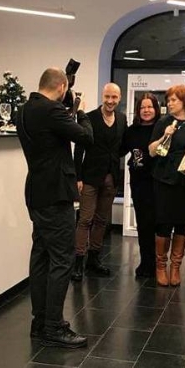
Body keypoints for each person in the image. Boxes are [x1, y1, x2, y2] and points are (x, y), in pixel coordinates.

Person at [16, 67, 93, 348]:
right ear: (61, 87)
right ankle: (54, 326)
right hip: (56, 195)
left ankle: (40, 322)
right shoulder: (52, 110)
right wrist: (80, 111)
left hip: (36, 192)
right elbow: (86, 137)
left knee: (41, 256)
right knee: (62, 259)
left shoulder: (24, 110)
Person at [149, 84, 185, 287]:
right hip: (164, 178)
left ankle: (175, 267)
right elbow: (151, 151)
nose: (170, 103)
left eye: (174, 99)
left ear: (184, 101)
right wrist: (165, 135)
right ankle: (160, 266)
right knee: (163, 223)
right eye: (168, 100)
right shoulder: (163, 122)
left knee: (182, 223)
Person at [72, 83, 127, 281]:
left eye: (114, 97)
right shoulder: (89, 118)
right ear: (102, 96)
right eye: (107, 97)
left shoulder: (122, 119)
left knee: (102, 220)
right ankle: (78, 262)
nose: (110, 101)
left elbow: (122, 146)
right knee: (85, 219)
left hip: (111, 177)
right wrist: (78, 177)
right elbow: (79, 149)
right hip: (89, 177)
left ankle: (93, 259)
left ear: (119, 98)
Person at [121, 93, 161, 278]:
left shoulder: (162, 128)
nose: (146, 110)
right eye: (143, 107)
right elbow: (121, 149)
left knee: (159, 224)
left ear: (156, 109)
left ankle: (159, 264)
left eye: (150, 107)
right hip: (139, 183)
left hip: (159, 183)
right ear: (138, 110)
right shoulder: (131, 130)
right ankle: (146, 262)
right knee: (143, 224)